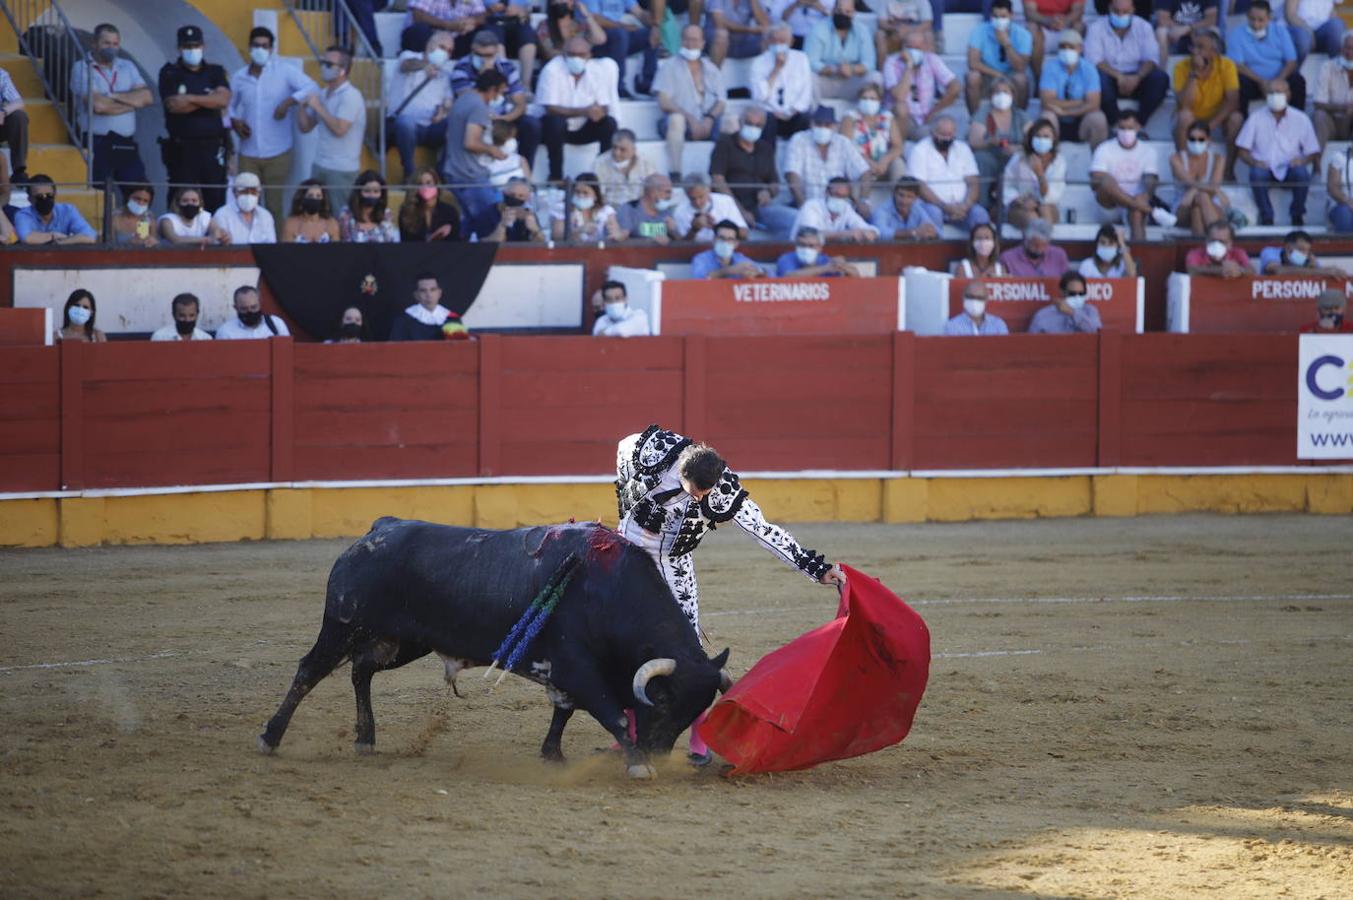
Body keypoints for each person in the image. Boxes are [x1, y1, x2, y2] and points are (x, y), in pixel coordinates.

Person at [613, 424, 844, 764]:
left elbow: (764, 532)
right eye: (696, 491)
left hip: (672, 563)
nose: (701, 499)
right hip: (628, 550)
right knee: (619, 639)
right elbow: (623, 450)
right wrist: (624, 503)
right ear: (683, 472)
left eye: (706, 493)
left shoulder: (721, 489)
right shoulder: (653, 452)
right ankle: (627, 733)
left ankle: (698, 739)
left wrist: (814, 567)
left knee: (688, 650)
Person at [229, 26, 316, 223]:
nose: (260, 49)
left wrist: (289, 102)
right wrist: (235, 122)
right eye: (256, 45)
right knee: (245, 205)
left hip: (278, 152)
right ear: (250, 47)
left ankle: (274, 247)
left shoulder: (284, 71)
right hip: (248, 153)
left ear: (271, 49)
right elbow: (228, 107)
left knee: (274, 206)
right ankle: (247, 247)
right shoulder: (239, 77)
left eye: (265, 46)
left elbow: (312, 87)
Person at [158, 25, 231, 212]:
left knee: (215, 199)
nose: (192, 50)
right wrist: (208, 99)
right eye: (187, 46)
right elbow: (174, 105)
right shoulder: (170, 72)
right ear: (179, 48)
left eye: (196, 45)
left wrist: (190, 97)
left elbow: (223, 100)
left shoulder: (215, 71)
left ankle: (213, 238)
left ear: (203, 46)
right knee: (181, 198)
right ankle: (175, 238)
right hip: (182, 148)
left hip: (212, 147)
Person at [71, 23, 151, 191]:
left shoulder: (127, 66)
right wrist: (131, 104)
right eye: (106, 43)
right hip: (97, 142)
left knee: (138, 190)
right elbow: (98, 106)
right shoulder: (81, 67)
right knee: (99, 194)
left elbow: (147, 97)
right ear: (94, 43)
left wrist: (113, 97)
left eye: (115, 44)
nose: (111, 48)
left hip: (126, 142)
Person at [450, 30, 542, 175]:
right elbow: (470, 101)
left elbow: (520, 104)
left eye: (489, 56)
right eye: (480, 55)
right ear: (472, 50)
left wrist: (503, 119)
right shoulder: (461, 68)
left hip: (503, 116)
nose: (485, 59)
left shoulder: (507, 67)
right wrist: (485, 77)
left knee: (531, 125)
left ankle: (523, 172)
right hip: (475, 118)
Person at [1236, 78, 1319, 227]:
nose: (1275, 96)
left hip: (1291, 167)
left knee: (1301, 173)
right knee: (1256, 173)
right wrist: (1254, 162)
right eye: (1271, 92)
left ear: (1288, 94)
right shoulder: (1256, 118)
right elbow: (1242, 150)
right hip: (1264, 167)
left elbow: (1312, 151)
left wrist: (1302, 161)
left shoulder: (1301, 119)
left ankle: (1297, 214)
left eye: (1279, 92)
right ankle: (1267, 216)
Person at [538, 37, 620, 183]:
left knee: (609, 123)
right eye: (572, 54)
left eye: (581, 55)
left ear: (589, 56)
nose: (576, 58)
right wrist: (584, 111)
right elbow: (550, 108)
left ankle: (602, 176)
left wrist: (599, 112)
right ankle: (556, 176)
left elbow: (605, 104)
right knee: (554, 122)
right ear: (563, 54)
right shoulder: (551, 70)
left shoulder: (597, 71)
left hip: (584, 127)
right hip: (556, 131)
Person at [656, 25, 728, 178]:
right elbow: (663, 101)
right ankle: (675, 172)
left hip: (707, 121)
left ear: (702, 43)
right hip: (681, 123)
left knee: (733, 122)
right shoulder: (668, 66)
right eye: (687, 39)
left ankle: (722, 174)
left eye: (695, 40)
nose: (690, 44)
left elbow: (721, 101)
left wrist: (709, 119)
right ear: (681, 41)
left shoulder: (711, 69)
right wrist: (691, 119)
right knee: (676, 120)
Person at [443, 69, 511, 231]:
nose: (500, 97)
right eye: (500, 92)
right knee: (490, 226)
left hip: (455, 170)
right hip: (470, 176)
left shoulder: (463, 99)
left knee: (470, 225)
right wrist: (492, 150)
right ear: (492, 89)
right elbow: (470, 142)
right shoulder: (478, 107)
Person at [1085, 0, 1168, 131]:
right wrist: (1119, 77)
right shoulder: (1096, 28)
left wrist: (1138, 77)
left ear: (1133, 10)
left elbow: (1152, 59)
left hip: (1137, 76)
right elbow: (1094, 60)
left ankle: (1138, 124)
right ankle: (1117, 124)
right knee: (1097, 78)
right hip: (1111, 76)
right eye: (1116, 11)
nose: (1120, 15)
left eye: (1125, 12)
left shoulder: (1144, 26)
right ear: (1109, 8)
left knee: (1160, 78)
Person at [299, 46, 367, 204]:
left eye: (329, 64)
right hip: (319, 164)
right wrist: (301, 108)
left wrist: (318, 107)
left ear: (342, 70)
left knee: (339, 215)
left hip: (341, 170)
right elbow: (305, 127)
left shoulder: (351, 96)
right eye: (322, 63)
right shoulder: (323, 94)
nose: (323, 67)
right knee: (316, 214)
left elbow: (340, 129)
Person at [710, 106, 794, 235]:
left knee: (795, 220)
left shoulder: (766, 149)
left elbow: (774, 182)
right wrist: (740, 211)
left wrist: (768, 192)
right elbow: (717, 180)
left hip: (761, 208)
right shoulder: (724, 144)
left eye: (758, 125)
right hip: (730, 209)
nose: (753, 128)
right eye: (749, 123)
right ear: (740, 122)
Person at [1090, 110, 1172, 240]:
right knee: (1106, 180)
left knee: (1137, 213)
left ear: (1138, 127)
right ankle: (1151, 211)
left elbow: (1151, 177)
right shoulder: (1104, 148)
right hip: (1110, 205)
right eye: (1122, 128)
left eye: (1130, 128)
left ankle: (1139, 255)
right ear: (1117, 128)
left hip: (1136, 201)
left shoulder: (1148, 151)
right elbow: (1095, 181)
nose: (1125, 132)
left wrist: (1146, 195)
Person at [386, 30, 455, 183]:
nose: (446, 53)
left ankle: (441, 173)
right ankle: (409, 173)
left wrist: (442, 112)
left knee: (456, 124)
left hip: (431, 127)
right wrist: (425, 65)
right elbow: (406, 66)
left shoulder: (445, 75)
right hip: (403, 126)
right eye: (442, 47)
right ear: (429, 46)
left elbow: (447, 102)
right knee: (406, 123)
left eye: (449, 51)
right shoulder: (409, 56)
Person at [1172, 29, 1241, 177]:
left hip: (1216, 119)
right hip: (1190, 119)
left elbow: (1232, 101)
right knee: (1184, 116)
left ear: (1214, 52)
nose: (1194, 51)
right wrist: (1194, 74)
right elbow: (1185, 105)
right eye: (1193, 47)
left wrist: (1209, 127)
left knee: (1236, 119)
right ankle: (1185, 170)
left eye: (1200, 47)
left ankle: (1228, 170)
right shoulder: (1181, 67)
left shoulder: (1227, 65)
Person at [906, 115, 990, 231]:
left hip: (962, 206)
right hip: (933, 205)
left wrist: (966, 205)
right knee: (934, 213)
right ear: (932, 132)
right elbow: (919, 186)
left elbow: (973, 182)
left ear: (955, 133)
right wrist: (944, 207)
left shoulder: (963, 148)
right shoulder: (920, 150)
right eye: (942, 134)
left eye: (949, 135)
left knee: (980, 214)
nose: (946, 139)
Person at [785, 105, 869, 210]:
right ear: (811, 124)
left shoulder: (843, 143)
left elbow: (864, 172)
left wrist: (863, 201)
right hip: (808, 205)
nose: (822, 128)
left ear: (835, 126)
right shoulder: (799, 140)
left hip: (839, 206)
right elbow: (792, 175)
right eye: (818, 124)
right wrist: (803, 206)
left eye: (827, 125)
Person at [1227, 1, 1306, 112]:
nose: (1256, 24)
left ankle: (1297, 121)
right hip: (1253, 81)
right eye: (1252, 19)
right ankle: (1243, 124)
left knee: (1298, 81)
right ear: (1247, 16)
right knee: (1239, 83)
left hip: (1279, 79)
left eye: (1260, 20)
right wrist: (1262, 82)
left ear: (1269, 18)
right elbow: (1238, 65)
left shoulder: (1280, 31)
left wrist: (1278, 81)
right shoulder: (1237, 34)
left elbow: (1291, 61)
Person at [884, 31, 959, 140]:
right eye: (909, 47)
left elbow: (955, 87)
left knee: (946, 126)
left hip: (926, 116)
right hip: (903, 119)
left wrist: (933, 112)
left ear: (924, 47)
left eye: (917, 48)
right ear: (903, 47)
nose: (913, 51)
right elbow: (899, 96)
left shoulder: (931, 59)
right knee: (901, 108)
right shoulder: (891, 62)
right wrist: (909, 66)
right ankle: (899, 148)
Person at [1039, 29, 1109, 147]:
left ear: (1080, 48)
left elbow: (1094, 104)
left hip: (1081, 119)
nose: (1066, 50)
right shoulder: (1050, 68)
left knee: (1098, 119)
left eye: (1071, 47)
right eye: (1062, 47)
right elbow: (1047, 102)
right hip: (1057, 117)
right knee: (1047, 117)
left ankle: (1098, 160)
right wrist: (1081, 102)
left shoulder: (1089, 69)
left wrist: (1065, 112)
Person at [841, 82, 907, 200]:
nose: (868, 102)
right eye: (865, 98)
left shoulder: (887, 117)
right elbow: (845, 146)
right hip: (859, 163)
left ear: (879, 101)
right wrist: (868, 162)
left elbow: (898, 146)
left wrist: (885, 161)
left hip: (883, 166)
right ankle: (861, 202)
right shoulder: (850, 118)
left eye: (872, 99)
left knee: (898, 164)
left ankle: (900, 199)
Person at [965, 0, 1033, 113]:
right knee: (973, 77)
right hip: (988, 74)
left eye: (1003, 16)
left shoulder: (1023, 35)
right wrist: (998, 75)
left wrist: (1007, 44)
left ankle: (1021, 119)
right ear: (991, 16)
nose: (999, 20)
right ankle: (975, 119)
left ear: (1011, 15)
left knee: (1021, 79)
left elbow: (1021, 67)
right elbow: (973, 62)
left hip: (1011, 76)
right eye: (995, 16)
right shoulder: (979, 31)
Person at [969, 77, 1031, 197]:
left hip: (1014, 157)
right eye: (997, 92)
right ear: (991, 95)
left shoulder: (1021, 116)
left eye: (1005, 92)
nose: (1001, 95)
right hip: (990, 157)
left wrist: (1017, 149)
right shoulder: (983, 113)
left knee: (1023, 160)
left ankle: (1020, 201)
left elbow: (1032, 140)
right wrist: (990, 142)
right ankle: (983, 202)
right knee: (981, 158)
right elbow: (974, 141)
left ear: (1012, 95)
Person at [751, 24, 815, 140]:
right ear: (768, 42)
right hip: (771, 114)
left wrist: (792, 111)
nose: (778, 44)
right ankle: (768, 156)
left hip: (795, 113)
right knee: (765, 117)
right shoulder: (758, 62)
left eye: (782, 41)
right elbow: (760, 97)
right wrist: (776, 69)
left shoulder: (801, 59)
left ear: (791, 42)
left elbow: (806, 94)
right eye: (774, 41)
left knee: (806, 117)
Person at [1002, 118, 1066, 228]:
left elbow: (1053, 194)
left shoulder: (1059, 162)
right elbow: (1006, 186)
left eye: (1046, 137)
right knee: (1031, 217)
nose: (1041, 140)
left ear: (1053, 139)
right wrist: (1020, 201)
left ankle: (1046, 244)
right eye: (1038, 136)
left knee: (1044, 210)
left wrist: (1039, 173)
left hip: (1047, 206)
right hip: (1020, 206)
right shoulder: (1019, 158)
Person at [804, 0, 874, 100]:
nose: (843, 15)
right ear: (833, 11)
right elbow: (810, 62)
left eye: (847, 12)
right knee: (809, 77)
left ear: (854, 13)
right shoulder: (818, 29)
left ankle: (863, 114)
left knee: (875, 77)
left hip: (851, 79)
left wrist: (852, 69)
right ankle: (812, 113)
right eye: (839, 11)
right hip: (826, 80)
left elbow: (869, 63)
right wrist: (834, 70)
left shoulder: (862, 30)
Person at [587, 0, 657, 98]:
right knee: (620, 34)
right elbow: (596, 18)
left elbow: (639, 12)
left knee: (652, 34)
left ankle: (647, 83)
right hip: (597, 38)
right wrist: (624, 27)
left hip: (620, 34)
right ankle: (618, 87)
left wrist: (655, 23)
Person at [1171, 121, 1229, 235]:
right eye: (1192, 139)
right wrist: (1211, 189)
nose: (1196, 142)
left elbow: (1213, 186)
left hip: (1211, 204)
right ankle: (1218, 238)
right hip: (1183, 206)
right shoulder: (1176, 159)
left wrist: (1195, 190)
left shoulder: (1218, 159)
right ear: (1187, 140)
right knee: (1201, 197)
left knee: (1197, 208)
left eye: (1201, 139)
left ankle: (1199, 247)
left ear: (1208, 141)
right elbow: (1190, 183)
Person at [790, 176, 879, 241]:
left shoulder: (846, 208)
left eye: (844, 197)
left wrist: (871, 233)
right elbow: (810, 235)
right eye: (837, 195)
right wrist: (846, 234)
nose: (840, 200)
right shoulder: (811, 206)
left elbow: (870, 229)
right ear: (827, 193)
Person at [15, 175, 97, 245]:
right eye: (39, 197)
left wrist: (61, 243)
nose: (45, 199)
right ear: (30, 199)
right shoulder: (23, 215)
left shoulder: (68, 211)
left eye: (49, 195)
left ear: (55, 195)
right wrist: (54, 236)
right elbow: (26, 238)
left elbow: (90, 236)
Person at [402, 0, 488, 57]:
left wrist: (471, 21)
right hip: (428, 39)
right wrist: (448, 25)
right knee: (419, 29)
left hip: (456, 40)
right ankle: (421, 64)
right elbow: (418, 16)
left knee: (480, 31)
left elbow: (481, 16)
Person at [675, 173, 747, 241]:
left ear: (709, 190)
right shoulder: (680, 211)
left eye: (701, 197)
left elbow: (744, 233)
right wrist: (694, 229)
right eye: (692, 199)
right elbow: (682, 245)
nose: (697, 202)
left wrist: (717, 226)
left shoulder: (726, 201)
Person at [399, 166, 462, 242]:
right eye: (420, 184)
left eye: (429, 183)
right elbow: (405, 245)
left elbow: (456, 245)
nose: (425, 187)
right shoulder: (407, 213)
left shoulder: (450, 212)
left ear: (436, 184)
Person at [389, 273, 460, 341]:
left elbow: (460, 349)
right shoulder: (404, 320)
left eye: (433, 290)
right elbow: (396, 350)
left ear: (439, 293)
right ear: (416, 295)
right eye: (423, 291)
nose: (429, 295)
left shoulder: (451, 319)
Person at [595, 130, 657, 205]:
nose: (617, 153)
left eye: (622, 149)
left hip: (639, 208)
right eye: (614, 147)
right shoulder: (600, 163)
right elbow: (598, 195)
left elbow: (653, 189)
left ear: (633, 149)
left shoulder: (646, 162)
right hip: (612, 209)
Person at [1313, 31, 1353, 148]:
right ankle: (1316, 163)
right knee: (1319, 115)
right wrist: (1343, 108)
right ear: (1341, 49)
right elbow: (1318, 103)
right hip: (1330, 122)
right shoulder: (1327, 67)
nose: (1350, 53)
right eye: (1348, 48)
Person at [536, 0, 607, 66]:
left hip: (582, 69)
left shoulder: (579, 26)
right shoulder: (544, 26)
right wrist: (574, 56)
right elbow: (549, 53)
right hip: (557, 68)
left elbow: (600, 39)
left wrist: (587, 15)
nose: (562, 2)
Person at [212, 172, 276, 244]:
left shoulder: (266, 216)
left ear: (259, 193)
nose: (249, 195)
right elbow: (219, 246)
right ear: (234, 192)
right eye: (244, 192)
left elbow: (271, 246)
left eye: (253, 192)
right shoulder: (222, 214)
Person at [1029, 270, 1103, 333]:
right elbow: (1032, 343)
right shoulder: (1043, 315)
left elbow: (1097, 331)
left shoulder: (1090, 311)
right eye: (1072, 293)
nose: (1077, 297)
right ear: (1062, 292)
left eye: (1081, 293)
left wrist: (1072, 313)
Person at [560, 171, 625, 241]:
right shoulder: (565, 210)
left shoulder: (607, 211)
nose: (581, 196)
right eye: (577, 192)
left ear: (595, 196)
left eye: (585, 193)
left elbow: (617, 234)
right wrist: (580, 230)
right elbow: (557, 235)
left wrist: (612, 232)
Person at [339, 171, 401, 243]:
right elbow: (345, 243)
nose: (372, 195)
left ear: (381, 194)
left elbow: (389, 241)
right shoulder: (346, 213)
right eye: (367, 191)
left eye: (376, 191)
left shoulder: (386, 213)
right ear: (359, 192)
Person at [775, 225, 862, 276]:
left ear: (820, 248)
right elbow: (788, 277)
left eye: (811, 246)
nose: (806, 249)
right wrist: (825, 269)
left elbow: (856, 276)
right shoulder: (786, 259)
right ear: (796, 245)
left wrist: (843, 266)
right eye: (802, 245)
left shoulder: (825, 260)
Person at [871, 178, 941, 240]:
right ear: (894, 194)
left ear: (916, 198)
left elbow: (936, 230)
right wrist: (913, 232)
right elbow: (881, 233)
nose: (904, 201)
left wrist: (931, 232)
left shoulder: (917, 208)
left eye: (909, 197)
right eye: (901, 195)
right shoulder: (882, 210)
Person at [691, 219, 765, 277]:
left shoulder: (740, 258)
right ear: (714, 240)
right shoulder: (701, 259)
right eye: (721, 238)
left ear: (736, 244)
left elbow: (771, 274)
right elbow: (700, 278)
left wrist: (758, 271)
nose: (725, 242)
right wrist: (730, 270)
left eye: (730, 239)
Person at [616, 173, 679, 242]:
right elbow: (621, 241)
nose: (670, 196)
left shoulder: (667, 212)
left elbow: (680, 242)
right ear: (653, 192)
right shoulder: (628, 209)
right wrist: (650, 241)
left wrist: (673, 232)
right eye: (667, 192)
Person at [482, 176, 549, 240]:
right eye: (512, 195)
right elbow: (485, 245)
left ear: (527, 197)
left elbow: (541, 244)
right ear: (503, 193)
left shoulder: (528, 214)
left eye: (521, 196)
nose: (515, 198)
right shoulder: (488, 213)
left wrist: (535, 230)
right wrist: (502, 226)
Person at [706, 0, 771, 66]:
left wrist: (753, 1)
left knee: (768, 38)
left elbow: (765, 24)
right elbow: (719, 23)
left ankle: (764, 74)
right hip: (716, 39)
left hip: (742, 40)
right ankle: (713, 73)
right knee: (722, 35)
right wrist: (749, 30)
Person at [1258, 229, 1347, 276]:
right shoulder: (1269, 252)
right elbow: (1278, 270)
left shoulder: (1309, 258)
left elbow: (1320, 272)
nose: (1305, 254)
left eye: (1307, 250)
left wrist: (1316, 268)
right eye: (1300, 249)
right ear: (1287, 247)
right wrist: (1321, 271)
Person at [1154, 0, 1217, 66]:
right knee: (1161, 32)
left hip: (1197, 29)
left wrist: (1187, 28)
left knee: (1214, 31)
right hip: (1174, 29)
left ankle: (1211, 72)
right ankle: (1162, 72)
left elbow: (1211, 20)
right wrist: (1180, 29)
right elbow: (1163, 20)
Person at [214, 285, 291, 340]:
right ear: (236, 308)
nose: (250, 312)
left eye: (254, 307)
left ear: (260, 304)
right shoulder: (225, 331)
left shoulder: (276, 324)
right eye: (244, 308)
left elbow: (286, 351)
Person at [999, 218, 1070, 276]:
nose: (1039, 249)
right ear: (1025, 238)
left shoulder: (1059, 255)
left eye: (1044, 245)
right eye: (1035, 245)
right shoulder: (1008, 258)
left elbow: (1066, 283)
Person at [1184, 220, 1252, 277]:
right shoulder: (1196, 253)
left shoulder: (1238, 253)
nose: (1217, 245)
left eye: (1222, 242)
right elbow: (1192, 269)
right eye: (1213, 240)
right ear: (1207, 240)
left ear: (1230, 243)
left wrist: (1239, 271)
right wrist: (1219, 270)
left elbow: (1251, 270)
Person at [943, 281, 1009, 335]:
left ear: (986, 300)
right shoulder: (952, 326)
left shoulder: (998, 324)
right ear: (963, 298)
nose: (974, 301)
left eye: (979, 298)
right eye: (970, 297)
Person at [1326, 141, 1353, 232]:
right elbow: (1332, 188)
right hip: (1342, 204)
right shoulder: (1339, 158)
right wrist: (1348, 202)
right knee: (1344, 213)